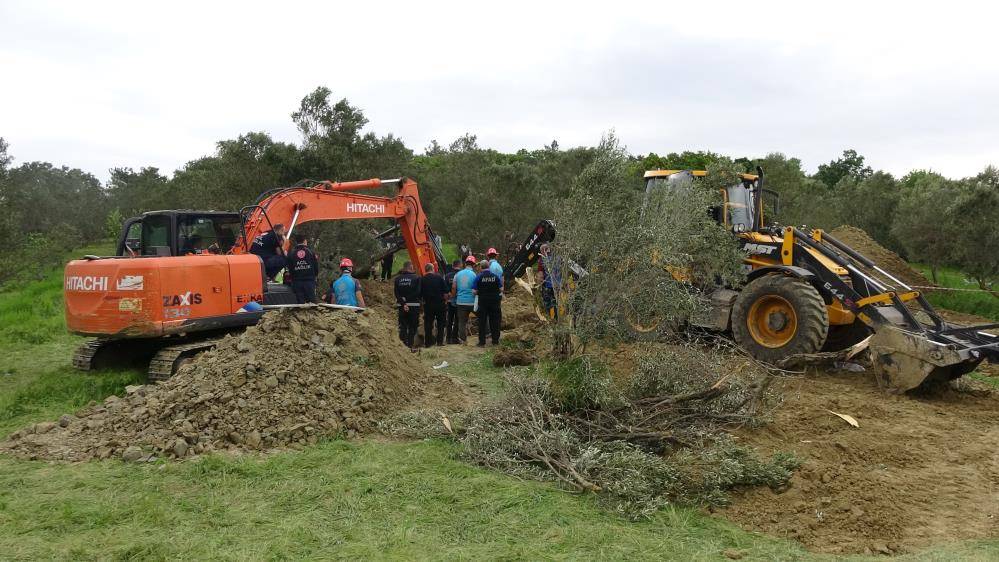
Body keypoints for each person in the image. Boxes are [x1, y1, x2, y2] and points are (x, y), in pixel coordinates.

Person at [473, 260, 503, 346]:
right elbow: (501, 289)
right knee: (495, 321)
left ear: (481, 267)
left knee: (482, 322)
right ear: (488, 267)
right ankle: (495, 341)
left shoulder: (478, 277)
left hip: (483, 302)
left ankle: (482, 342)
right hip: (495, 302)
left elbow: (474, 291)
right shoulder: (495, 276)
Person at [393, 261, 422, 351]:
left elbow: (396, 293)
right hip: (414, 305)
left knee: (403, 325)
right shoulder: (417, 278)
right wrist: (408, 300)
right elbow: (418, 292)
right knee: (413, 326)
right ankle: (410, 345)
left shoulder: (397, 279)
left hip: (401, 306)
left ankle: (403, 346)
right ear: (410, 267)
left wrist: (403, 302)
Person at [420, 262, 449, 347]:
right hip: (440, 304)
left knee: (428, 324)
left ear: (426, 270)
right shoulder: (439, 277)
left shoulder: (422, 279)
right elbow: (446, 291)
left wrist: (422, 304)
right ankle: (440, 342)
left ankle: (428, 343)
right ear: (432, 269)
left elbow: (420, 293)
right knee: (441, 323)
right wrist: (446, 300)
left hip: (428, 305)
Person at [452, 255, 478, 344]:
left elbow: (454, 287)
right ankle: (487, 334)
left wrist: (453, 298)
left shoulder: (458, 274)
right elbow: (476, 289)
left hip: (460, 302)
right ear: (474, 265)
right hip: (472, 302)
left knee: (462, 322)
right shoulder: (474, 275)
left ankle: (463, 340)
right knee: (482, 316)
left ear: (465, 264)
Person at [286, 234, 319, 304]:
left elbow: (290, 268)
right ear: (305, 241)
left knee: (300, 303)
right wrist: (315, 276)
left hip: (297, 282)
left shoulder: (292, 253)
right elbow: (316, 266)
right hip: (309, 281)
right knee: (311, 303)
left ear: (296, 242)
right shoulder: (310, 252)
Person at [444, 259, 462, 344]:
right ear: (460, 265)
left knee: (450, 319)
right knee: (457, 320)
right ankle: (455, 338)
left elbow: (445, 288)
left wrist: (449, 294)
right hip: (459, 300)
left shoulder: (447, 276)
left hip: (450, 300)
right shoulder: (462, 275)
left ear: (452, 266)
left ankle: (448, 338)